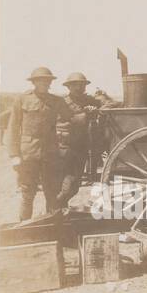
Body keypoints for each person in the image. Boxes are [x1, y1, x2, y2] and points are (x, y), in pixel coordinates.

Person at [6, 66, 72, 221]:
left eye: (47, 81)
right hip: (28, 153)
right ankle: (23, 230)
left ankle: (52, 227)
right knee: (28, 192)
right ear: (34, 82)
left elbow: (70, 116)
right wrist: (14, 155)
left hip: (50, 153)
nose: (44, 83)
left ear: (50, 83)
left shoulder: (56, 101)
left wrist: (88, 111)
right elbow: (13, 128)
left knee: (52, 191)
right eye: (40, 81)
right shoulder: (22, 99)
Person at [55, 72, 102, 208]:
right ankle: (55, 207)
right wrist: (86, 113)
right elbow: (69, 120)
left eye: (82, 85)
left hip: (81, 146)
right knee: (67, 181)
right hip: (65, 146)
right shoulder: (62, 102)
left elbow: (109, 105)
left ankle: (59, 207)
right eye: (75, 85)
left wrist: (97, 107)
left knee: (76, 185)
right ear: (68, 87)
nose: (79, 87)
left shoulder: (88, 100)